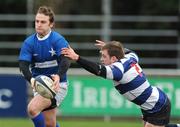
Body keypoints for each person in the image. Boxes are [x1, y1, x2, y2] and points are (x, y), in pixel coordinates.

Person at [61, 40, 180, 127]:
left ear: (113, 58)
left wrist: (77, 57)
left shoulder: (118, 70)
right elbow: (130, 52)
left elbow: (98, 70)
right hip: (152, 102)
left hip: (157, 105)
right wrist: (110, 47)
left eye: (104, 56)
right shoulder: (129, 58)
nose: (102, 59)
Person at [19, 6, 70, 127]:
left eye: (43, 22)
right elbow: (23, 65)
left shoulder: (58, 40)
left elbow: (66, 60)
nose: (39, 24)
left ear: (51, 24)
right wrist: (31, 79)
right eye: (37, 21)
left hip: (57, 86)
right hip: (40, 85)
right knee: (50, 124)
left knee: (32, 109)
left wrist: (58, 76)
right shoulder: (29, 42)